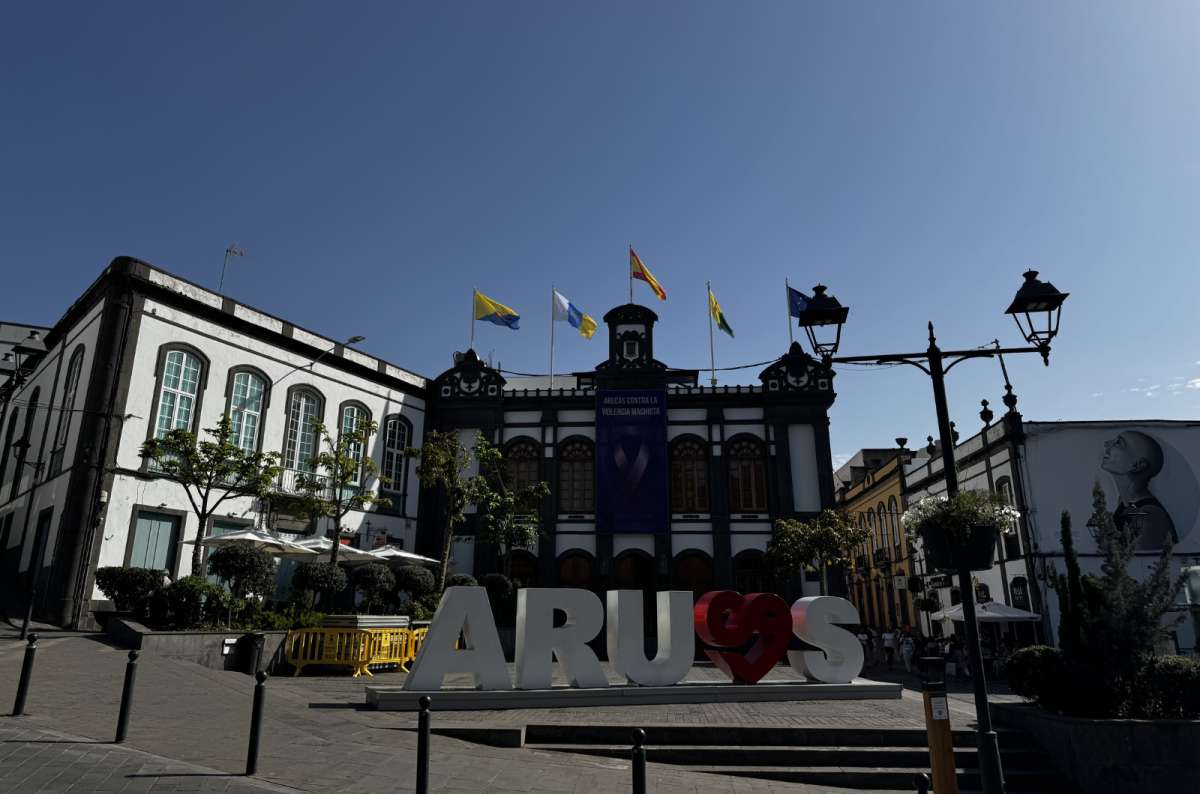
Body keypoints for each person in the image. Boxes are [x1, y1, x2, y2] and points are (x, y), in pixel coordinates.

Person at [1101, 430, 1176, 550]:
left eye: (1119, 443)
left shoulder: (1150, 519)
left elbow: (1140, 565)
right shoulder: (1124, 504)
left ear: (1138, 465)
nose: (1107, 444)